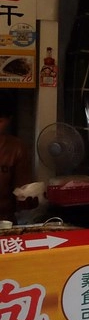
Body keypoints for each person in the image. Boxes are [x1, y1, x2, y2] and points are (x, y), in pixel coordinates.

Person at [0, 92, 31, 224]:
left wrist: (30, 198)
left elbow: (21, 190)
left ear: (9, 120)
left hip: (5, 221)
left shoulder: (16, 148)